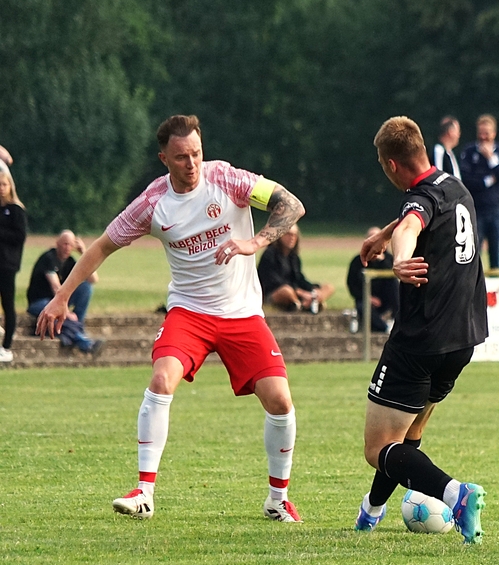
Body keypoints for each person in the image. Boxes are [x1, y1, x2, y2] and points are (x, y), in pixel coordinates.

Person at [36, 114, 306, 523]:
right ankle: (144, 493)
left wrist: (255, 241)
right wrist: (61, 297)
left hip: (242, 314)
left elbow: (292, 205)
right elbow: (101, 247)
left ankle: (277, 500)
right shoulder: (152, 203)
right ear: (164, 158)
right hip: (189, 312)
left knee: (281, 401)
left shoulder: (228, 179)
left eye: (196, 153)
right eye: (181, 157)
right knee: (162, 379)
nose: (192, 163)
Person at [353, 115, 488, 544]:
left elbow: (412, 223)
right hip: (462, 338)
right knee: (408, 436)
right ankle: (371, 511)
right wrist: (384, 234)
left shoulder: (417, 200)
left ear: (391, 164)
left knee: (378, 449)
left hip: (420, 342)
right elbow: (420, 213)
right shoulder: (455, 187)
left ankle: (456, 494)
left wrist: (397, 256)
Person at [26, 230, 103, 355]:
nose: (67, 248)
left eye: (70, 245)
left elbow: (93, 279)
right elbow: (56, 287)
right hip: (40, 302)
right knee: (62, 319)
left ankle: (77, 326)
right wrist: (66, 313)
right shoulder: (49, 258)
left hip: (57, 301)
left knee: (86, 287)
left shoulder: (70, 262)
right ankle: (84, 341)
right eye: (65, 244)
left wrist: (84, 252)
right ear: (57, 243)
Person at [459, 114, 499, 270]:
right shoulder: (469, 151)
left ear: (493, 133)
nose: (483, 137)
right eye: (480, 133)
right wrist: (488, 180)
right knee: (473, 254)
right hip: (475, 210)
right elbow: (467, 180)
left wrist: (490, 158)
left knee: (496, 255)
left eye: (486, 133)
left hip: (495, 209)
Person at [257, 224, 334, 313]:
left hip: (296, 290)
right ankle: (301, 304)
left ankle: (309, 302)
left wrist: (312, 290)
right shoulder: (270, 255)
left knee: (328, 287)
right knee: (286, 291)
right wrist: (300, 292)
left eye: (294, 235)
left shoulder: (293, 257)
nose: (292, 238)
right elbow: (273, 282)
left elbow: (299, 278)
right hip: (275, 292)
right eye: (288, 234)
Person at [346, 226, 399, 333]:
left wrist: (382, 261)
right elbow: (352, 284)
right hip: (365, 299)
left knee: (394, 285)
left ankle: (396, 321)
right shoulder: (357, 261)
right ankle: (384, 327)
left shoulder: (389, 259)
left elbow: (394, 278)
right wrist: (368, 297)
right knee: (362, 307)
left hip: (386, 299)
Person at [0, 161, 27, 363]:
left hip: (7, 264)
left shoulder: (16, 210)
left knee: (7, 303)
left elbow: (19, 237)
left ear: (10, 186)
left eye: (4, 184)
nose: (1, 188)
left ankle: (7, 347)